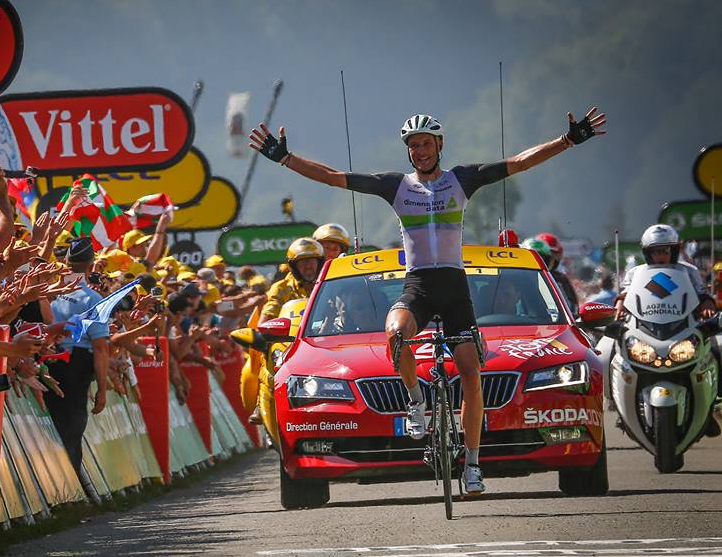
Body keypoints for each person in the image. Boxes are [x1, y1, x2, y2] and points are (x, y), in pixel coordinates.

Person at [251, 107, 607, 495]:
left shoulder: (462, 179)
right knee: (395, 334)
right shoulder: (396, 186)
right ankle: (416, 403)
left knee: (471, 374)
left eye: (425, 143)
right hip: (418, 285)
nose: (419, 151)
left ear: (439, 145)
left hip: (454, 289)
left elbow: (519, 163)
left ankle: (472, 465)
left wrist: (567, 140)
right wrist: (285, 158)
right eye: (413, 145)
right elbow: (334, 177)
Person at [615, 223, 720, 438]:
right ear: (647, 253)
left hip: (684, 328)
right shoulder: (636, 273)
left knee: (717, 349)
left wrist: (707, 305)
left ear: (674, 250)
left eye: (665, 250)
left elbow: (702, 294)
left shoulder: (688, 271)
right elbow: (625, 294)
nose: (660, 256)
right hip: (644, 330)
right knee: (609, 351)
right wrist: (618, 305)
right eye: (655, 252)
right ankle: (619, 408)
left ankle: (709, 406)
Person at [47, 237, 110, 479]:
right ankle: (71, 482)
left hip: (46, 360)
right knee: (72, 427)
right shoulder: (93, 300)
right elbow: (101, 348)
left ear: (65, 262)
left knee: (52, 424)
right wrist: (102, 389)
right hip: (75, 366)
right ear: (92, 266)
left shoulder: (49, 292)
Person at [249, 237, 324, 426]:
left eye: (311, 261)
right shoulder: (280, 288)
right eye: (302, 262)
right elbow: (268, 314)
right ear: (293, 267)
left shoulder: (329, 282)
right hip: (290, 341)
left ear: (320, 262)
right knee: (266, 353)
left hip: (325, 339)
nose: (308, 266)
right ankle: (262, 400)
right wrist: (263, 330)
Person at [536, 232, 579, 312]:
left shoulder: (559, 279)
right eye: (537, 255)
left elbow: (572, 309)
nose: (541, 260)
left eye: (546, 257)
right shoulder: (519, 277)